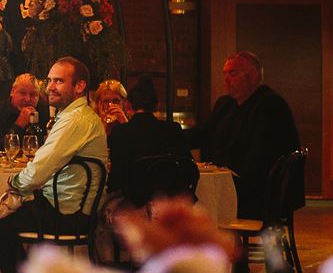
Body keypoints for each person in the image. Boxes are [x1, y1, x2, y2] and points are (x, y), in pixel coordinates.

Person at [0, 56, 108, 273]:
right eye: (49, 80)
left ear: (79, 86)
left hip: (63, 215)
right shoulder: (78, 116)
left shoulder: (75, 120)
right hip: (69, 211)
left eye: (59, 81)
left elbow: (38, 172)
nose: (50, 87)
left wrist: (13, 183)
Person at [188, 52, 303, 224]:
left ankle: (206, 237)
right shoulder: (225, 105)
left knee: (194, 199)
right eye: (225, 74)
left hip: (259, 193)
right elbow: (202, 133)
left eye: (233, 73)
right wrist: (169, 135)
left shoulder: (270, 106)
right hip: (230, 184)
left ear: (253, 76)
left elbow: (259, 159)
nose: (226, 79)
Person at [106, 75, 192, 206]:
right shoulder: (173, 129)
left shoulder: (121, 132)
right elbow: (188, 168)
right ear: (156, 105)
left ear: (128, 105)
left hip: (133, 204)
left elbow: (116, 178)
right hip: (169, 203)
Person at [0, 72, 44, 140]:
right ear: (12, 91)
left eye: (33, 94)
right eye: (22, 93)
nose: (27, 99)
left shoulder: (43, 110)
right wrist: (19, 124)